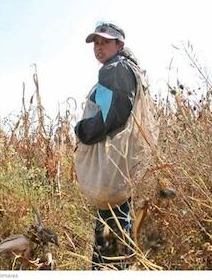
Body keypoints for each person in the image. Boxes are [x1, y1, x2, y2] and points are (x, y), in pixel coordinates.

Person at [74, 22, 153, 270]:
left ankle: (110, 268)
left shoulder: (115, 68)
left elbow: (115, 113)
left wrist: (84, 130)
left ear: (120, 45)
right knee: (117, 216)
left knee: (112, 219)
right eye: (95, 43)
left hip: (112, 156)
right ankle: (115, 267)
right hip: (120, 154)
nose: (98, 47)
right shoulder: (126, 68)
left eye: (105, 42)